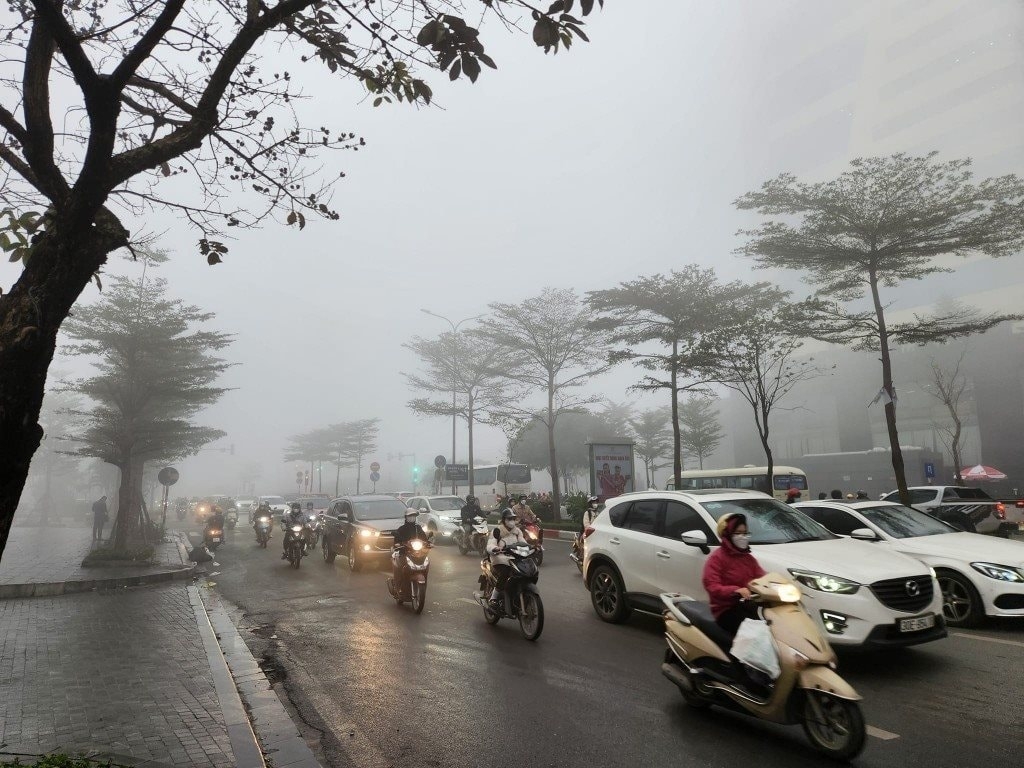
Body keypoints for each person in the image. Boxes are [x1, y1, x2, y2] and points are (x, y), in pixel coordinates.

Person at [702, 513, 766, 636]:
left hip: (748, 605)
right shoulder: (717, 558)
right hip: (725, 610)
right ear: (727, 534)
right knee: (755, 633)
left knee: (772, 623)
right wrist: (736, 590)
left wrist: (777, 584)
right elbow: (712, 585)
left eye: (745, 533)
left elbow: (762, 577)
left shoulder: (748, 558)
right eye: (737, 533)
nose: (742, 536)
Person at [487, 508, 527, 607]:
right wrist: (495, 549)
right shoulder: (497, 530)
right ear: (504, 520)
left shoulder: (517, 531)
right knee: (505, 572)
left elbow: (522, 541)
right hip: (500, 557)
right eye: (509, 519)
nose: (511, 521)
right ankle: (493, 598)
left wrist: (530, 547)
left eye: (513, 518)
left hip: (515, 557)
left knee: (526, 572)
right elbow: (490, 544)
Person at [392, 508, 428, 594]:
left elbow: (424, 538)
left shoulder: (418, 528)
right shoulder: (401, 529)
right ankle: (399, 587)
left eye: (413, 516)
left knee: (425, 564)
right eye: (410, 516)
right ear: (406, 517)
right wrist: (398, 544)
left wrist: (428, 543)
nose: (412, 518)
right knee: (402, 568)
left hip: (416, 553)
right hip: (404, 553)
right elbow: (396, 541)